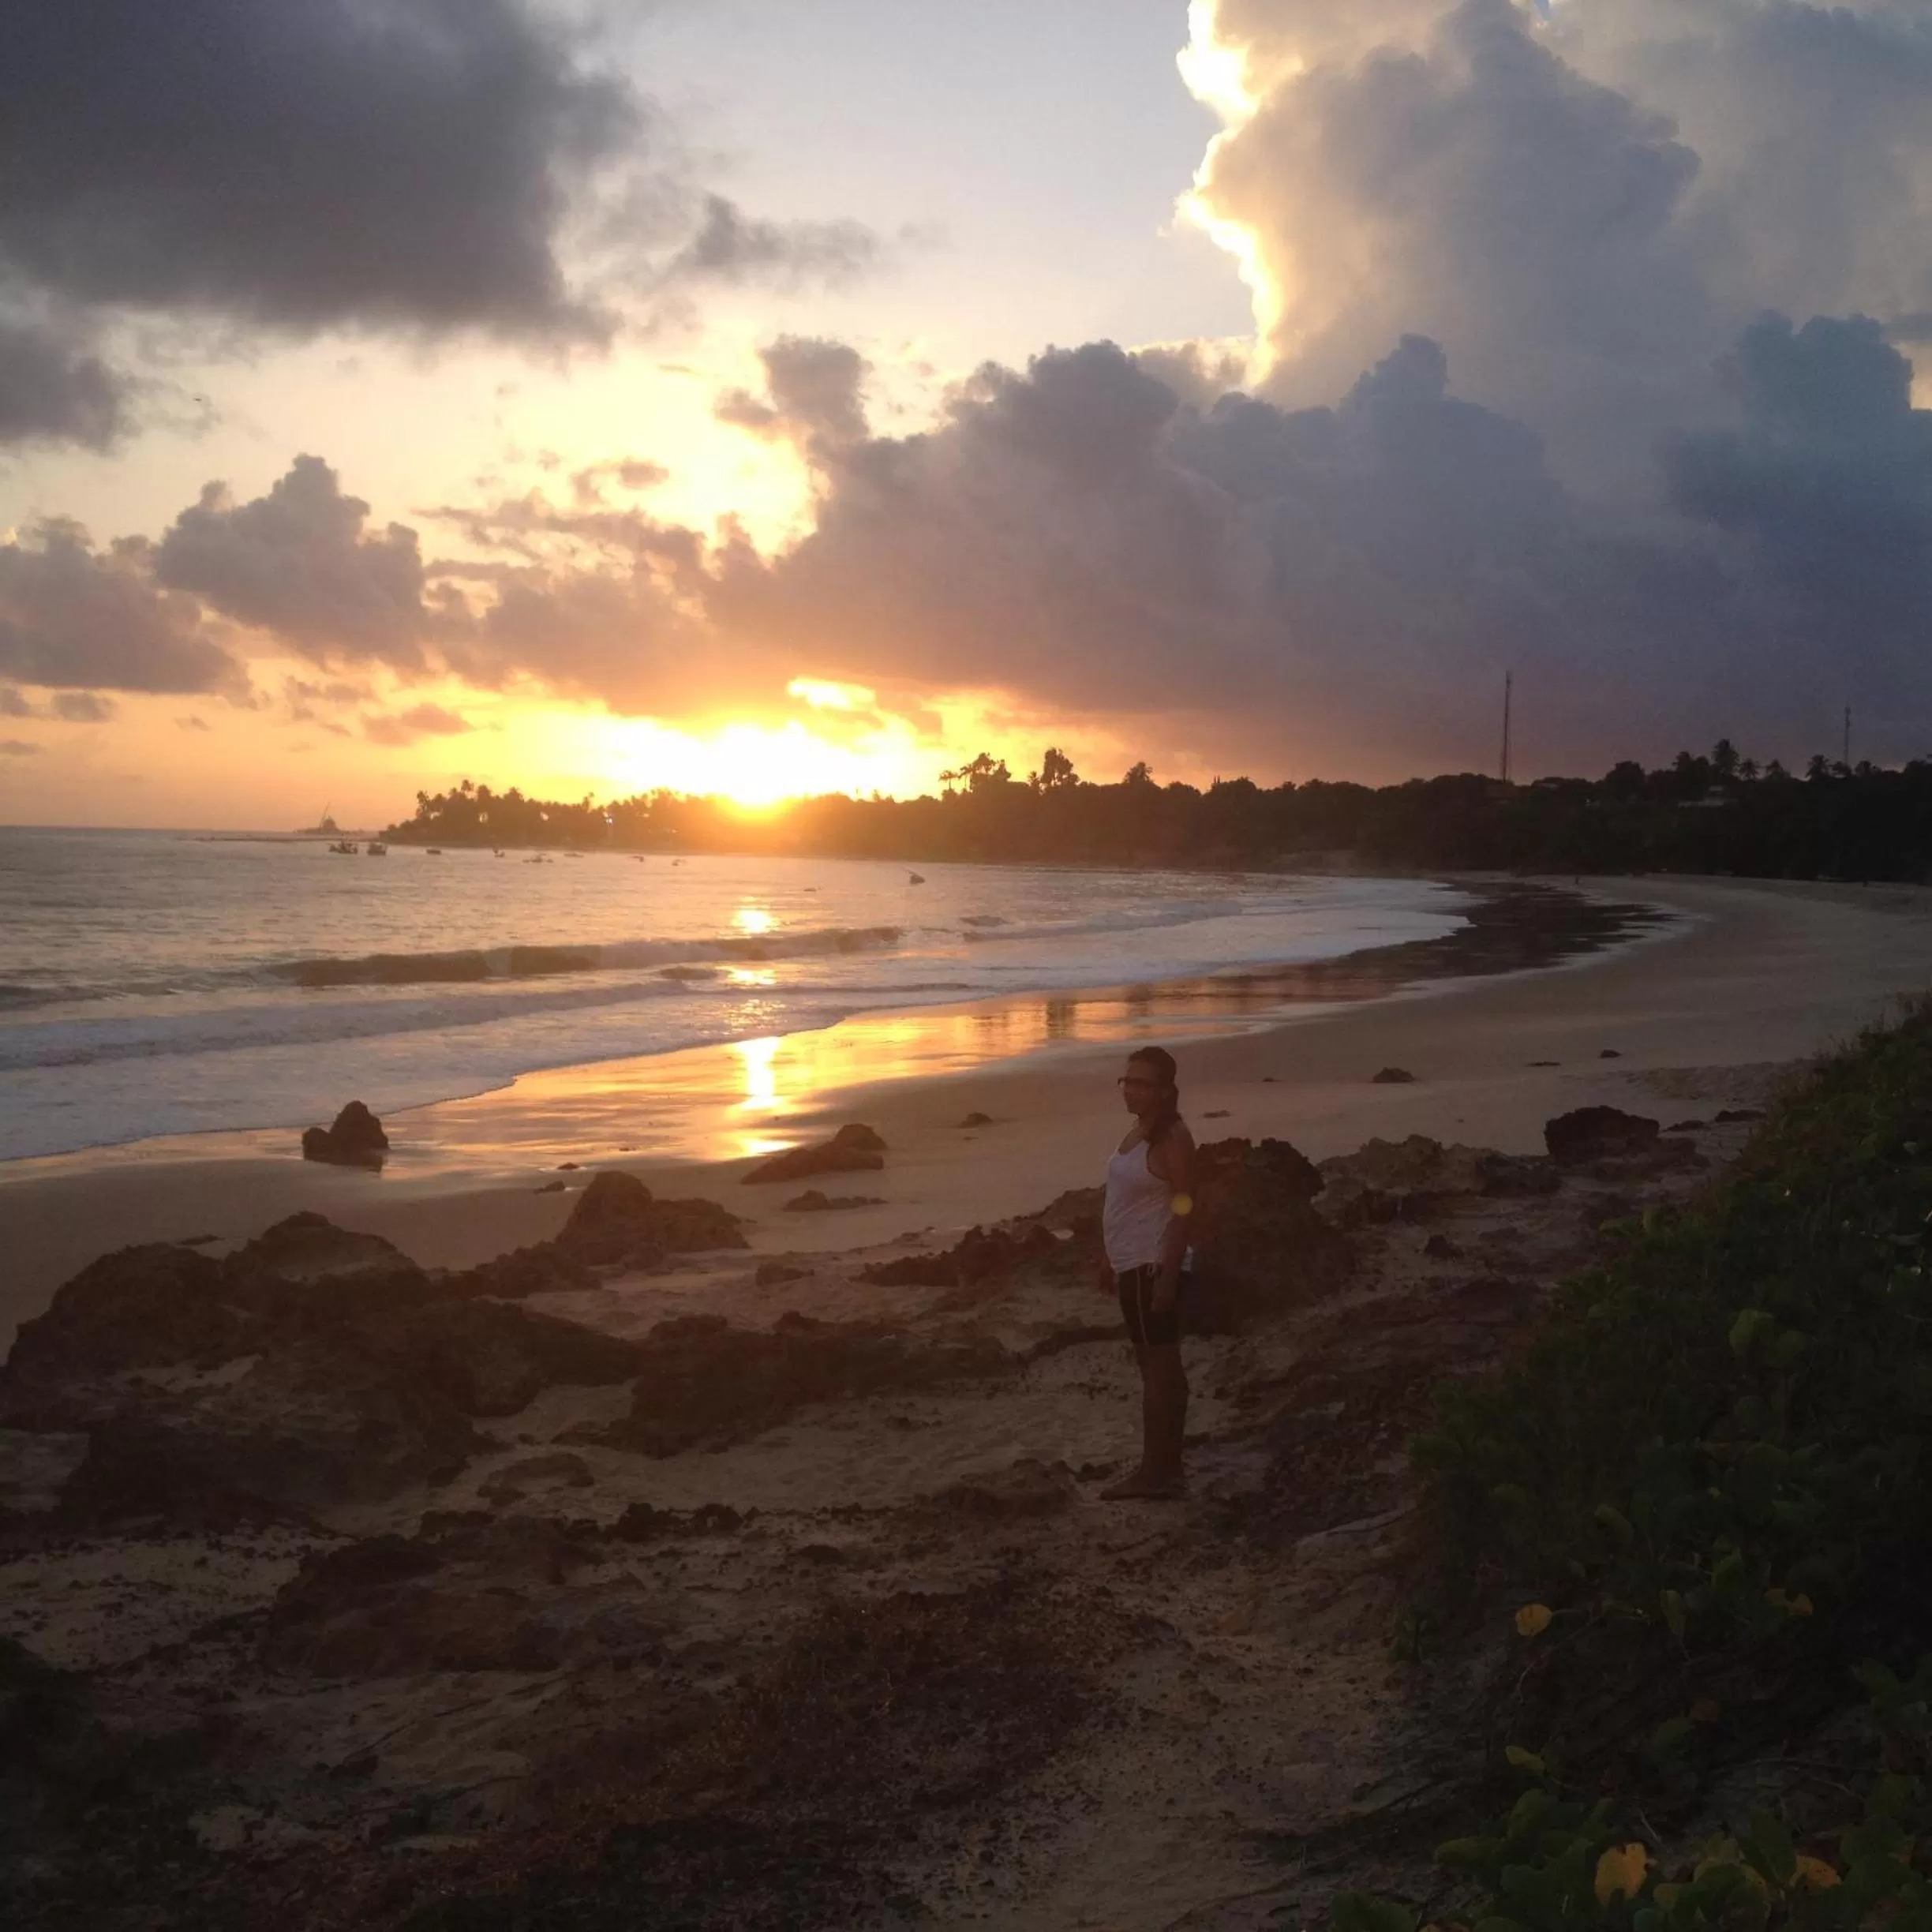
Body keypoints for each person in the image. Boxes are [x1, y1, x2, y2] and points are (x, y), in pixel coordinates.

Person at [1099, 1044, 1196, 1500]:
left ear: (1165, 1090)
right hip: (1131, 1264)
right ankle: (1165, 1467)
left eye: (1142, 1083)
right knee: (1155, 1365)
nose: (1131, 1090)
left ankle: (1156, 1472)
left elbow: (1184, 1206)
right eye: (1127, 1081)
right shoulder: (1140, 1131)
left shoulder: (1172, 1137)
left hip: (1152, 1267)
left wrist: (1170, 1276)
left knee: (1159, 1369)